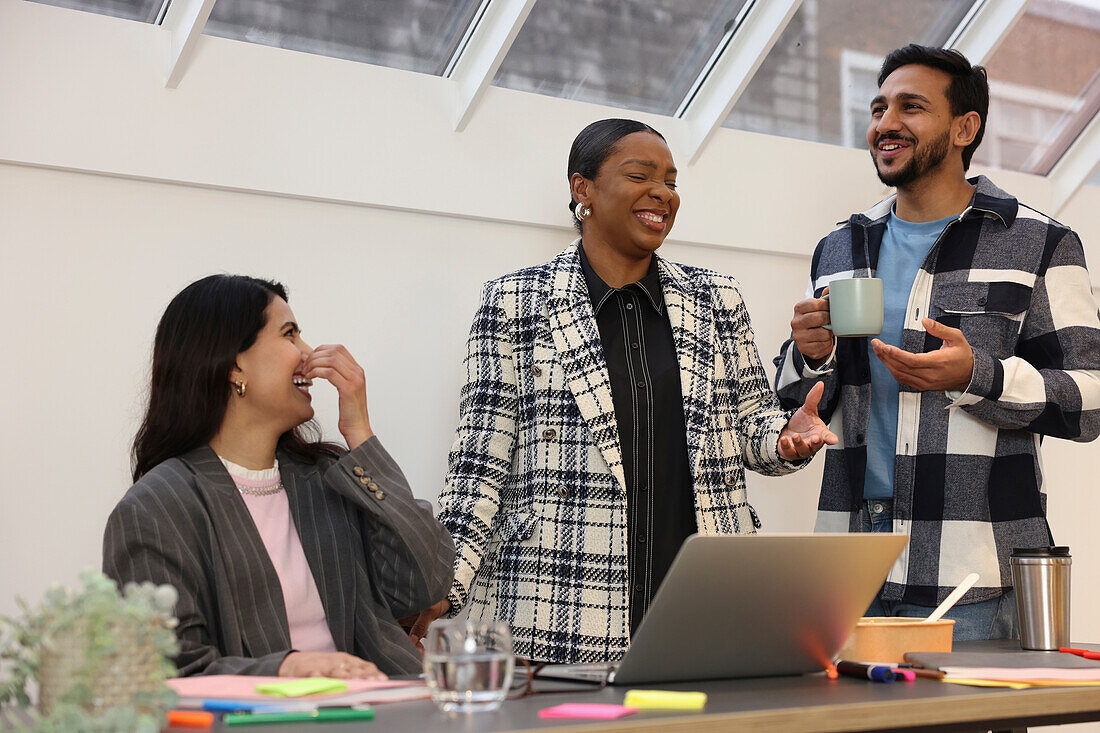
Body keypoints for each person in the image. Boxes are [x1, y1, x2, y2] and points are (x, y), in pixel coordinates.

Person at [409, 119, 837, 664]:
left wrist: (783, 438)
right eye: (641, 175)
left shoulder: (716, 298)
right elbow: (478, 468)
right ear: (581, 188)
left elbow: (750, 425)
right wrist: (440, 593)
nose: (663, 192)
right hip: (557, 598)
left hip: (702, 601)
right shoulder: (515, 301)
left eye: (672, 181)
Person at [774, 45, 1100, 640]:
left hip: (971, 569)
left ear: (964, 128)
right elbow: (796, 398)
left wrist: (978, 376)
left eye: (911, 106)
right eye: (878, 108)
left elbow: (1090, 399)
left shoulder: (1040, 243)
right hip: (848, 562)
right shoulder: (840, 247)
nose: (885, 123)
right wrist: (810, 354)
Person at [103, 275, 454, 677]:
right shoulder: (155, 508)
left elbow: (422, 586)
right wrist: (289, 668)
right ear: (236, 363)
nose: (308, 354)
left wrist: (360, 435)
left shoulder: (328, 479)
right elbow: (168, 669)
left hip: (384, 710)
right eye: (290, 335)